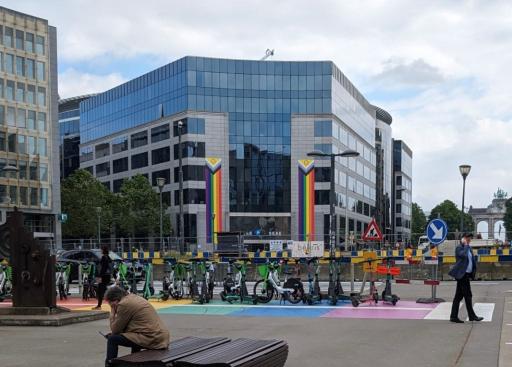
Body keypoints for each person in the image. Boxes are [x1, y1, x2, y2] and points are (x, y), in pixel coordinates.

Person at [104, 286, 170, 366]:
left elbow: (115, 330)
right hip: (160, 336)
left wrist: (112, 314)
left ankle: (110, 365)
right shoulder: (133, 297)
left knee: (112, 339)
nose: (111, 306)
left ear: (115, 300)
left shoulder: (124, 304)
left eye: (110, 304)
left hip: (152, 338)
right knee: (132, 336)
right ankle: (134, 363)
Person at [448, 233, 483, 323]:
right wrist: (466, 245)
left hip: (466, 275)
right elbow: (463, 256)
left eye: (470, 238)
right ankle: (472, 316)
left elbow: (471, 261)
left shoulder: (469, 248)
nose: (469, 240)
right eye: (468, 238)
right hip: (462, 275)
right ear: (463, 239)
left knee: (458, 297)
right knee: (468, 295)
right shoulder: (459, 248)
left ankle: (453, 316)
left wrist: (473, 271)